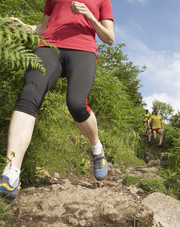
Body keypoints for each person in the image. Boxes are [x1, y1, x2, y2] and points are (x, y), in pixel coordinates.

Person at [0, 0, 115, 201]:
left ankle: (97, 149)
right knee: (29, 95)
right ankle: (11, 173)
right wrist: (23, 26)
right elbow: (43, 27)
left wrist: (89, 16)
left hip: (83, 49)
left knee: (77, 103)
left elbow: (110, 38)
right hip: (49, 45)